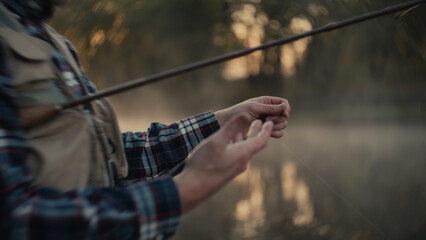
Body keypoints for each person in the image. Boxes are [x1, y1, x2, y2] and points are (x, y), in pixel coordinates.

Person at [0, 0, 290, 239]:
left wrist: (222, 121)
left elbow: (113, 158)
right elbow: (14, 216)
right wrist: (188, 189)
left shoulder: (55, 44)